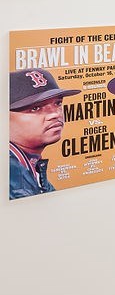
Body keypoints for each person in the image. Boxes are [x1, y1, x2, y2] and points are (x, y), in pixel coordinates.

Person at [9, 68, 81, 199]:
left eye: (58, 103)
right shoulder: (10, 176)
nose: (55, 114)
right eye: (35, 108)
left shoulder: (27, 164)